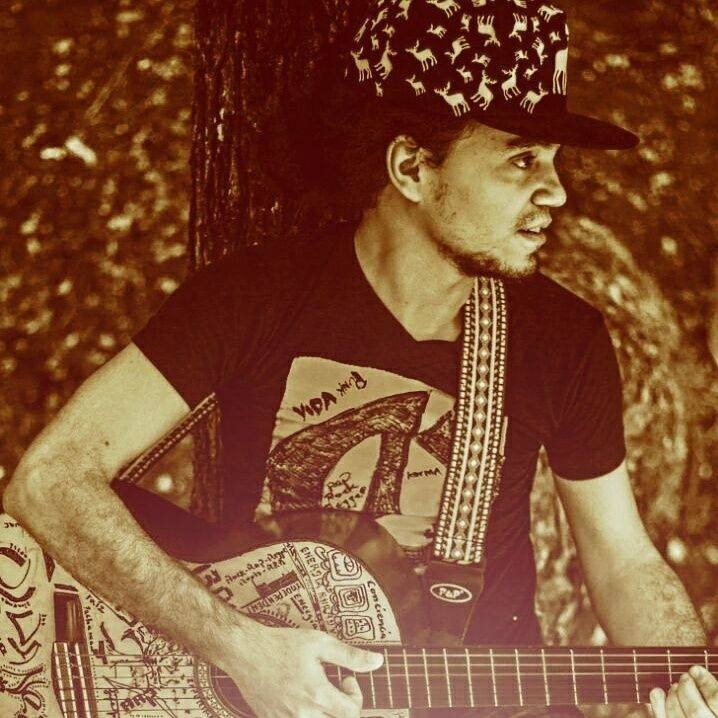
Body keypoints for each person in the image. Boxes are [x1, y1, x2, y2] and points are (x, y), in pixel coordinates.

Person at [5, 1, 717, 718]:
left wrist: (690, 681)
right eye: (522, 159)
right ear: (412, 167)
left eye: (556, 162)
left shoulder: (560, 340)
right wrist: (240, 650)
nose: (555, 191)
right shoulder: (257, 297)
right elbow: (50, 480)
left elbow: (620, 556)